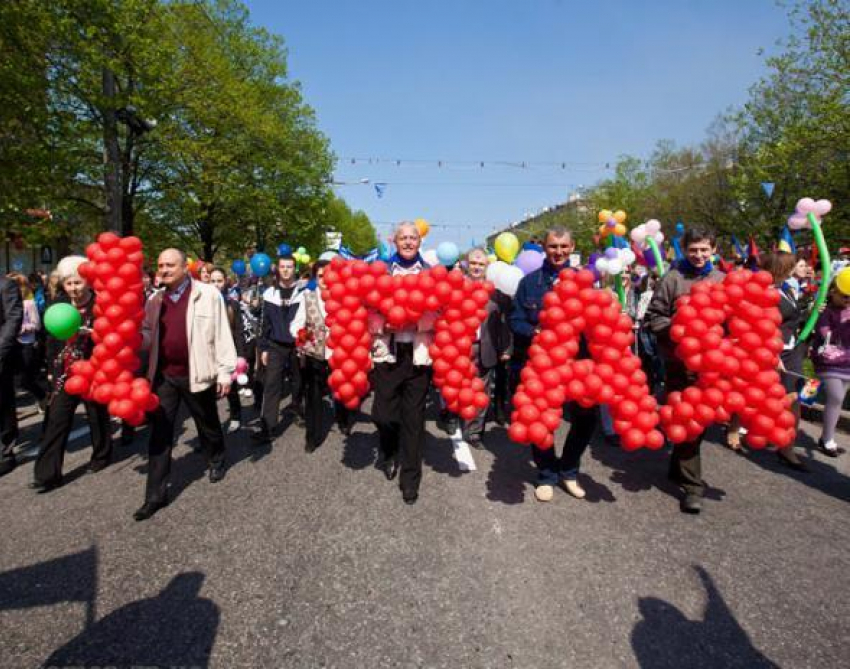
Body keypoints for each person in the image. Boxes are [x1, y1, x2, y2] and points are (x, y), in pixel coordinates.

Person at [133, 249, 237, 521]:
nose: (164, 269)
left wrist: (225, 372)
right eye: (160, 265)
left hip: (197, 373)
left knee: (207, 422)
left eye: (170, 265)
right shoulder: (155, 299)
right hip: (164, 376)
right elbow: (146, 333)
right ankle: (154, 496)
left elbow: (222, 334)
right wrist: (133, 339)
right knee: (160, 433)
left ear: (183, 267)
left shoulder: (208, 294)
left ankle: (216, 458)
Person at [510, 228, 598, 503]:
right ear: (544, 249)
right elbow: (516, 320)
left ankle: (569, 471)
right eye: (552, 246)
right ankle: (546, 473)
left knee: (586, 420)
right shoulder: (530, 283)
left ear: (572, 247)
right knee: (539, 420)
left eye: (563, 246)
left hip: (579, 364)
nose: (558, 252)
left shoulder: (586, 282)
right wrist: (535, 333)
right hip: (543, 364)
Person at [646, 225, 725, 514]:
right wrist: (679, 329)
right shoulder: (673, 279)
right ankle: (693, 487)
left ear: (714, 250)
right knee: (688, 419)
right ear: (684, 250)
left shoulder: (723, 280)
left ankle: (678, 468)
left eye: (704, 249)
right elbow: (653, 317)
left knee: (698, 423)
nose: (699, 255)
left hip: (713, 366)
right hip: (679, 364)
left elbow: (732, 321)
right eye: (693, 250)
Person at [30, 256, 113, 491]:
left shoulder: (100, 305)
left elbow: (111, 338)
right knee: (56, 419)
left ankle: (102, 455)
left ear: (88, 282)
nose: (74, 288)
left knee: (97, 415)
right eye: (69, 283)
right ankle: (46, 475)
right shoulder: (58, 305)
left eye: (78, 283)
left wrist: (93, 333)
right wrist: (49, 369)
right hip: (65, 372)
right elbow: (50, 340)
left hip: (93, 370)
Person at [370, 222, 435, 504]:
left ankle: (410, 479)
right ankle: (388, 450)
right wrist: (387, 325)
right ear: (394, 241)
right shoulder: (381, 271)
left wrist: (413, 321)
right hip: (388, 354)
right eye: (403, 238)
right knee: (383, 415)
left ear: (419, 242)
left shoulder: (431, 273)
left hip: (418, 356)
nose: (408, 242)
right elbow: (369, 309)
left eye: (413, 238)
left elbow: (439, 312)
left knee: (414, 420)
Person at [290, 260, 352, 452]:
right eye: (320, 276)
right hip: (314, 355)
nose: (325, 280)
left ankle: (343, 420)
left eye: (329, 275)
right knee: (313, 395)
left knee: (341, 391)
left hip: (338, 354)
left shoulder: (343, 298)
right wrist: (304, 336)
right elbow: (296, 325)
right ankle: (312, 436)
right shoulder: (306, 297)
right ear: (315, 278)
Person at [760, 252, 809, 470]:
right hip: (776, 352)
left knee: (795, 399)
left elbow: (791, 318)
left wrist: (813, 311)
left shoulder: (787, 288)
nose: (800, 267)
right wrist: (774, 355)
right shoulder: (767, 293)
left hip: (793, 350)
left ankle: (786, 446)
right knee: (783, 399)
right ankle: (781, 443)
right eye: (794, 265)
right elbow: (765, 326)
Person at [460, 248, 511, 448]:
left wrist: (506, 348)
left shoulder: (495, 295)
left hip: (484, 348)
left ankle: (474, 432)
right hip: (459, 348)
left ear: (487, 267)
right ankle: (456, 418)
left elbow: (503, 324)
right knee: (461, 389)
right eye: (473, 263)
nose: (476, 267)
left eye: (481, 264)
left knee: (480, 391)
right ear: (466, 264)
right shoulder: (457, 289)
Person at [252, 254, 304, 443]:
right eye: (282, 266)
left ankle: (297, 408)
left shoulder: (303, 292)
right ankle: (267, 427)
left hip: (298, 347)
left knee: (298, 382)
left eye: (289, 267)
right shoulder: (269, 294)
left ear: (294, 269)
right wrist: (264, 348)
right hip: (275, 346)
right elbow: (264, 324)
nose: (285, 270)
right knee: (272, 385)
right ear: (277, 269)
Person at [811, 279, 850, 457]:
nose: (848, 300)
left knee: (837, 401)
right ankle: (827, 440)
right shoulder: (824, 311)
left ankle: (827, 437)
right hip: (827, 361)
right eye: (845, 296)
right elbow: (824, 333)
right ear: (834, 291)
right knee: (836, 396)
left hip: (847, 362)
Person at [7, 273, 48, 410]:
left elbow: (36, 325)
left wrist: (21, 328)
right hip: (10, 344)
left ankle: (43, 397)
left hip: (26, 344)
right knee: (10, 379)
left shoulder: (29, 303)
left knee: (25, 380)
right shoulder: (7, 303)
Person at [0, 275, 23, 476]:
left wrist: (1, 350)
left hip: (1, 354)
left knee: (3, 403)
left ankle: (5, 451)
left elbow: (14, 318)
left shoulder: (5, 284)